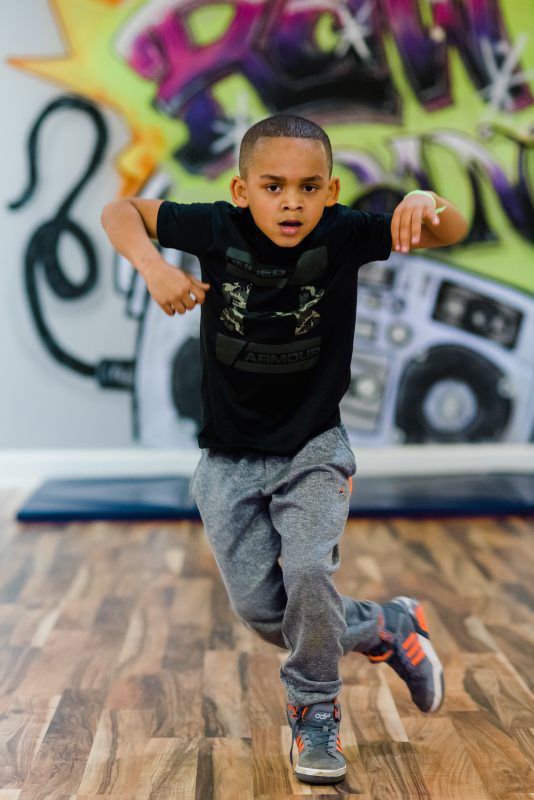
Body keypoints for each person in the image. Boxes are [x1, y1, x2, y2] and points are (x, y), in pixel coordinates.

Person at [101, 114, 468, 785]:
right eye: (273, 187)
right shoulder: (216, 226)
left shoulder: (346, 232)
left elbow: (451, 230)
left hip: (313, 449)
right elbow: (119, 210)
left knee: (307, 576)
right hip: (227, 460)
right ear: (242, 192)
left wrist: (427, 202)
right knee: (265, 612)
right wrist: (152, 268)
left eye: (308, 187)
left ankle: (314, 715)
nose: (292, 202)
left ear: (331, 192)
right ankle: (385, 627)